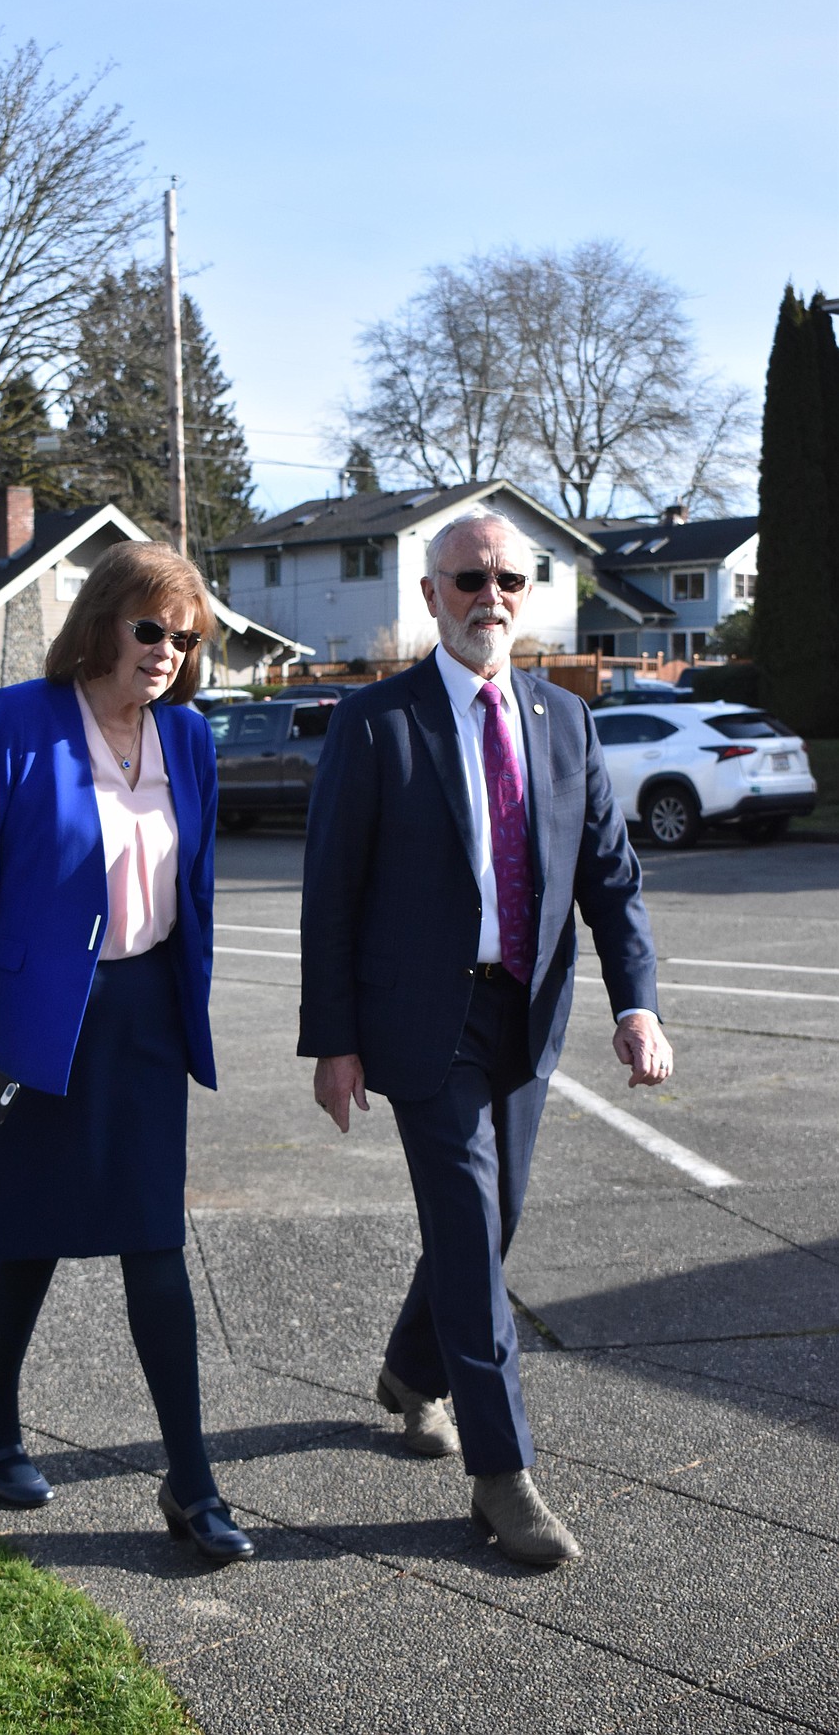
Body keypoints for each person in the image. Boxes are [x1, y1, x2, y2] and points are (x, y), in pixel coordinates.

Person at [298, 509, 672, 1567]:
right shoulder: (377, 725)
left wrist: (635, 1003)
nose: (489, 596)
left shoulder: (565, 719)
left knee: (492, 1219)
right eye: (468, 579)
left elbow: (612, 878)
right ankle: (502, 1475)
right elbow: (331, 897)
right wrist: (333, 1041)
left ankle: (410, 1373)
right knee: (467, 1226)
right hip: (424, 1020)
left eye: (507, 577)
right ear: (430, 596)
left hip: (527, 1013)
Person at [0, 540, 253, 1564]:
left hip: (145, 1017)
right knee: (28, 1239)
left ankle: (192, 1481)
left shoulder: (189, 738)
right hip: (33, 1017)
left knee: (155, 1245)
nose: (165, 650)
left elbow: (192, 890)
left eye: (183, 637)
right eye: (149, 628)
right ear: (106, 621)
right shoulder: (19, 720)